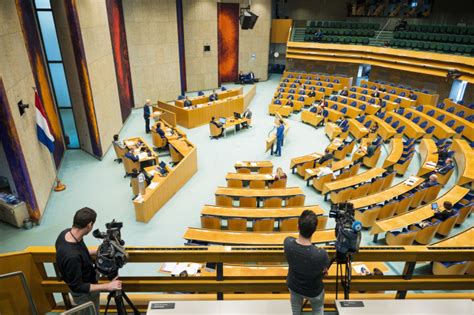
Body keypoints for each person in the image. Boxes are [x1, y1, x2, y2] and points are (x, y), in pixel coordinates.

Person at [55, 208, 122, 314]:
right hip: (84, 294)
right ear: (90, 224)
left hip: (87, 282)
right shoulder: (72, 257)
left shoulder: (66, 234)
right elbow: (78, 286)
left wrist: (93, 252)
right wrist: (108, 286)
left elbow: (75, 250)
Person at [284, 210, 329, 315]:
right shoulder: (321, 254)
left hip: (294, 286)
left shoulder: (288, 243)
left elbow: (292, 240)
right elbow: (325, 269)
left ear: (298, 227)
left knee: (295, 311)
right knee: (318, 310)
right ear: (314, 230)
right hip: (314, 291)